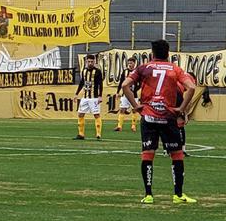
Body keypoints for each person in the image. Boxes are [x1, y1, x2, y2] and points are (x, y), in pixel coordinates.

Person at [121, 39, 198, 205]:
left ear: (152, 54)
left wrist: (135, 106)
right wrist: (182, 108)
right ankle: (178, 195)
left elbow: (125, 85)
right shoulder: (175, 69)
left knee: (148, 154)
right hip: (168, 117)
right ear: (168, 54)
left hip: (148, 117)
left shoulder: (144, 68)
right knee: (177, 155)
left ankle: (148, 195)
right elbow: (191, 87)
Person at [75, 54, 104, 141]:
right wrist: (76, 94)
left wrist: (100, 96)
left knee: (96, 115)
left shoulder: (98, 71)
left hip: (94, 98)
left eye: (92, 61)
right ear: (86, 62)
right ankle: (81, 134)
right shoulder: (84, 70)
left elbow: (100, 84)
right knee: (80, 114)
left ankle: (98, 134)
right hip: (85, 97)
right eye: (89, 61)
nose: (90, 63)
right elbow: (81, 83)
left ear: (94, 62)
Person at [115, 57, 140, 133]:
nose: (129, 64)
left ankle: (133, 126)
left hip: (133, 94)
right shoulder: (125, 71)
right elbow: (121, 83)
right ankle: (119, 126)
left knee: (134, 110)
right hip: (124, 95)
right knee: (122, 109)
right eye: (128, 63)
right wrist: (117, 92)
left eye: (131, 63)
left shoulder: (137, 72)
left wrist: (135, 90)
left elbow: (140, 84)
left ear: (134, 63)